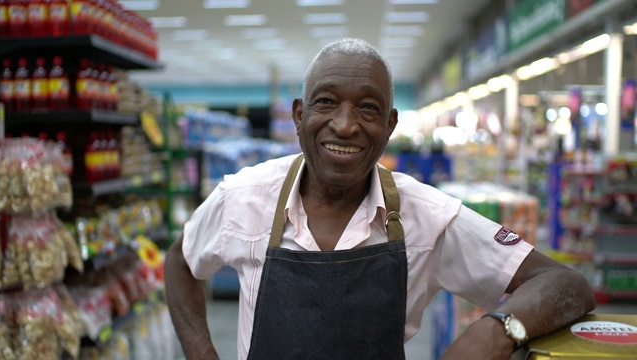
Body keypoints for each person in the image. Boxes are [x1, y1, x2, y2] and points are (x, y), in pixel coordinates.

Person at [165, 37, 596, 360]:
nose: (346, 125)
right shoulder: (243, 197)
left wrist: (498, 329)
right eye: (327, 102)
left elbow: (566, 284)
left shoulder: (427, 216)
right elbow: (181, 262)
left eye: (367, 109)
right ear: (300, 116)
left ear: (390, 124)